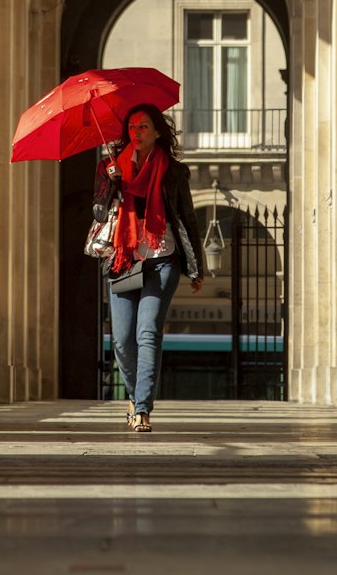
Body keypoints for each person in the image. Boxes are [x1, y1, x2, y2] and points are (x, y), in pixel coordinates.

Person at [92, 103, 206, 434]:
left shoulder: (172, 170)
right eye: (131, 127)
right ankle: (135, 395)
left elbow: (187, 218)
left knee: (148, 333)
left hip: (162, 257)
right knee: (123, 341)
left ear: (157, 132)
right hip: (124, 260)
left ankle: (142, 408)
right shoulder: (109, 167)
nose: (137, 133)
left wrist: (196, 267)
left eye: (143, 127)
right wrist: (112, 185)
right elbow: (99, 213)